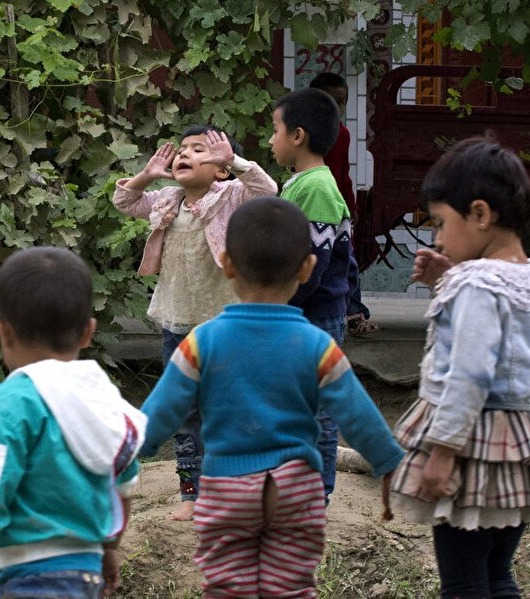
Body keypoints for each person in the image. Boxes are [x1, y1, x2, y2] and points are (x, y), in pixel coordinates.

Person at [139, 197, 403, 597]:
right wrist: (389, 462)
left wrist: (123, 452)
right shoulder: (318, 346)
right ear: (307, 268)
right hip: (295, 489)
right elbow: (357, 415)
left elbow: (161, 413)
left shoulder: (201, 342)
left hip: (226, 486)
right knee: (292, 588)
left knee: (227, 588)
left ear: (225, 263)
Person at [389, 137, 530, 598]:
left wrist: (443, 451)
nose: (438, 239)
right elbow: (503, 343)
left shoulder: (476, 287)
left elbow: (470, 372)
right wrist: (448, 278)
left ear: (481, 214)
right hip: (518, 443)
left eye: (442, 224)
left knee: (463, 583)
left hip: (471, 449)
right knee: (498, 574)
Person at [0, 247, 148, 598]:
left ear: (3, 332)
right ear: (88, 333)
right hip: (86, 573)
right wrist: (109, 549)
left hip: (28, 579)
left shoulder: (7, 405)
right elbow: (123, 487)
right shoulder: (103, 400)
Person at [113, 125, 277, 520]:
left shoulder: (231, 196)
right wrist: (148, 174)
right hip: (177, 323)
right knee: (185, 412)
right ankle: (192, 495)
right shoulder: (167, 200)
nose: (184, 154)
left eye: (199, 150)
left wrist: (234, 162)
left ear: (220, 169)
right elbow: (123, 200)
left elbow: (267, 190)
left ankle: (237, 489)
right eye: (181, 149)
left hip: (224, 326)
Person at [270, 87, 359, 503]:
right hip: (306, 315)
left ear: (298, 135)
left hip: (314, 317)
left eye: (275, 130)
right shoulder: (302, 183)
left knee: (319, 414)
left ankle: (316, 498)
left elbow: (313, 265)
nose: (271, 140)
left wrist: (278, 307)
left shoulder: (317, 188)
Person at [309, 72, 378, 335]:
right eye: (330, 100)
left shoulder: (343, 133)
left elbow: (343, 174)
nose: (337, 107)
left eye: (342, 101)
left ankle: (355, 312)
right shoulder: (303, 135)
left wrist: (351, 207)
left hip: (337, 210)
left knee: (346, 260)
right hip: (317, 207)